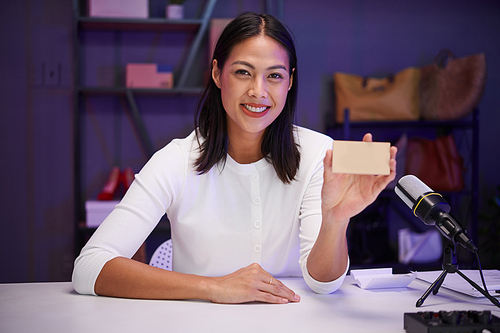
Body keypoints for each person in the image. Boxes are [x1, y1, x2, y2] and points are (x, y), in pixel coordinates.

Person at [72, 12, 397, 304]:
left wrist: (335, 220)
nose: (258, 91)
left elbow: (323, 285)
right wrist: (212, 287)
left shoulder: (318, 154)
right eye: (243, 72)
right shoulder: (176, 160)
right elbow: (89, 267)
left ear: (290, 81)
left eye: (274, 76)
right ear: (217, 73)